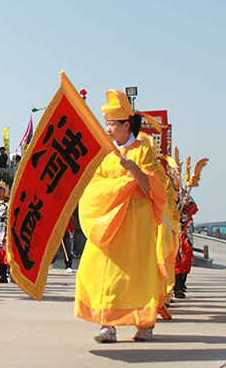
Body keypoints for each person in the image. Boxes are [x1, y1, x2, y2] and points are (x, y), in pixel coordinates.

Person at [74, 90, 168, 343]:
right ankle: (107, 324)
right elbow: (94, 187)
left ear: (126, 125)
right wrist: (122, 186)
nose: (108, 129)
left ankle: (145, 323)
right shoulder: (103, 153)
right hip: (107, 222)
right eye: (106, 124)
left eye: (112, 124)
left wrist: (134, 169)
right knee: (102, 270)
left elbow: (151, 186)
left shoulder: (142, 150)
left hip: (137, 221)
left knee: (139, 270)